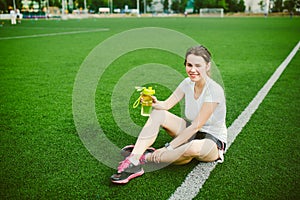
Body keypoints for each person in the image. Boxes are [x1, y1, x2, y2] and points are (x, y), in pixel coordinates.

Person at [111, 45, 227, 184]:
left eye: (198, 65)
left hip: (211, 140)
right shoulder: (187, 83)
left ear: (207, 66)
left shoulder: (214, 90)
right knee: (158, 113)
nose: (192, 70)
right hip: (189, 131)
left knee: (193, 148)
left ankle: (145, 157)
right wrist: (155, 103)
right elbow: (166, 105)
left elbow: (196, 126)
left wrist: (169, 147)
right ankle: (134, 159)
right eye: (189, 65)